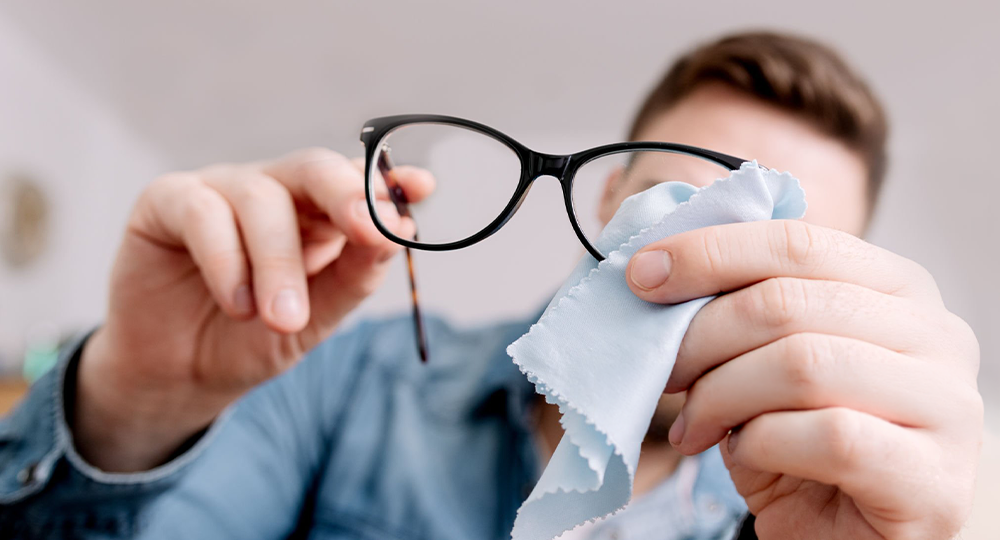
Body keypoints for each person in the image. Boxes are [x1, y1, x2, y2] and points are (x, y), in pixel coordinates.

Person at [0, 31, 983, 540]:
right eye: (680, 202)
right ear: (609, 202)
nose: (714, 270)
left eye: (778, 249)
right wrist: (134, 403)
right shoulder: (347, 387)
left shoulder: (828, 513)